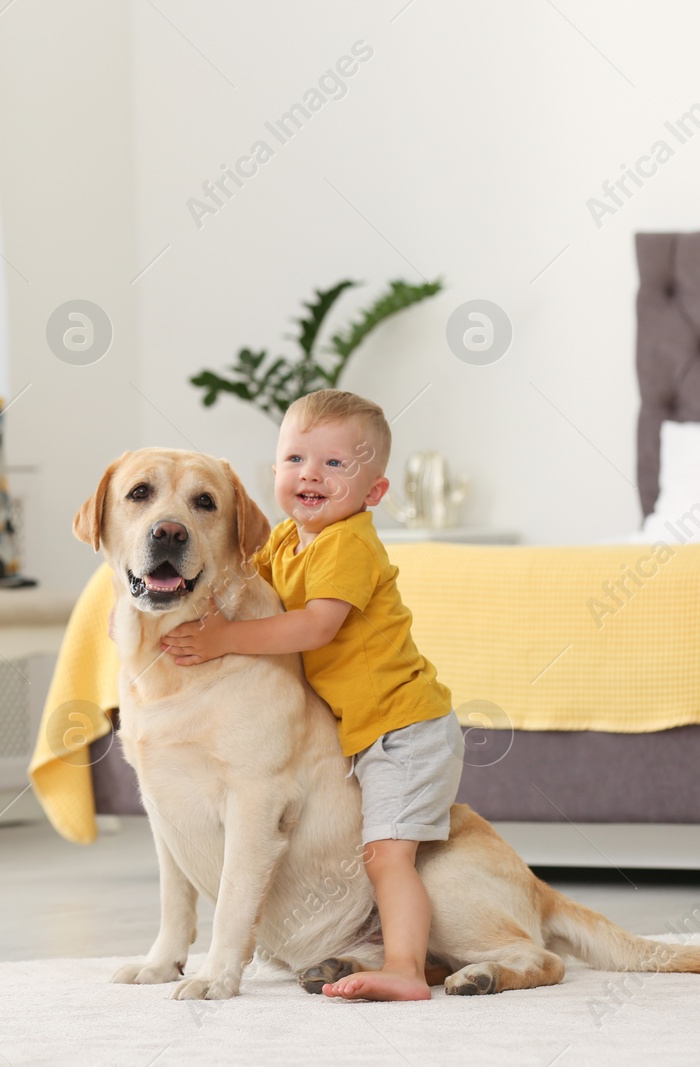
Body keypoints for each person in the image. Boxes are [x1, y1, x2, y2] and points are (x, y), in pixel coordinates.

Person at [162, 389, 462, 1001]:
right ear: (274, 471)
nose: (311, 475)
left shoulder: (346, 543)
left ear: (374, 493)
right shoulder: (285, 541)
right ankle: (400, 958)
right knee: (382, 851)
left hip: (405, 726)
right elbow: (246, 582)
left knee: (385, 855)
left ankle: (405, 967)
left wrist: (222, 640)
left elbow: (314, 627)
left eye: (335, 464)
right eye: (296, 459)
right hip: (367, 726)